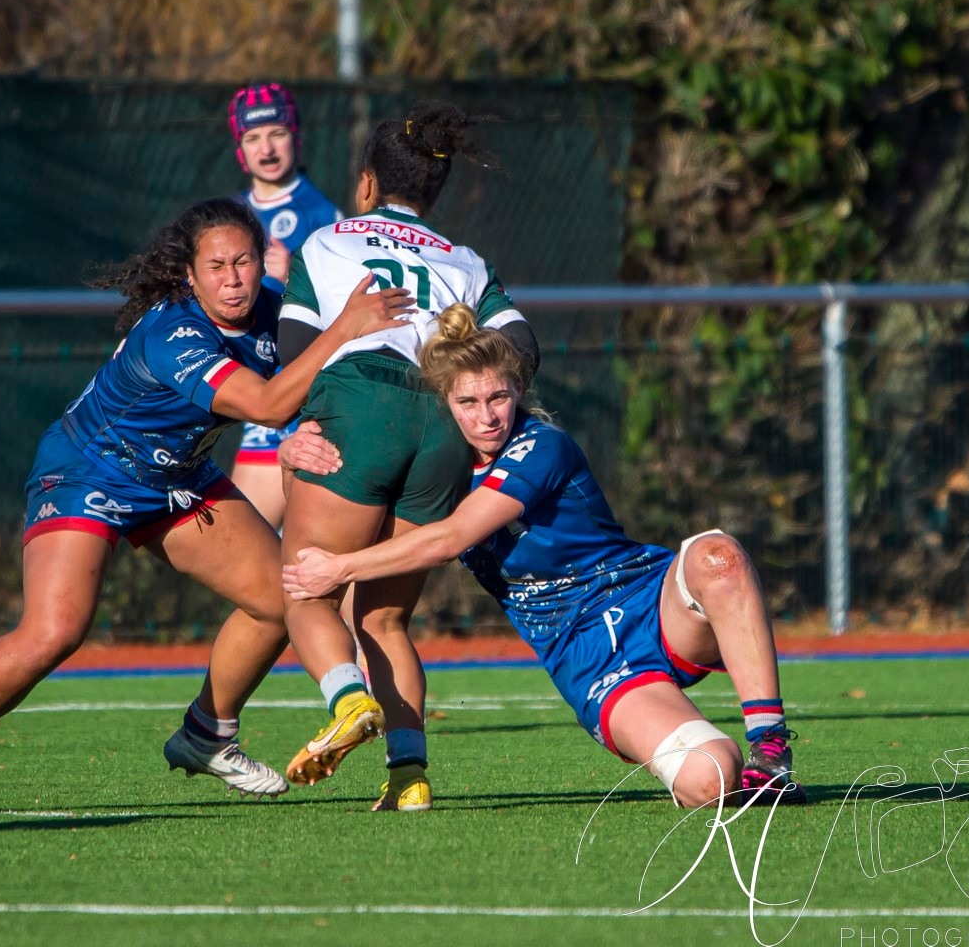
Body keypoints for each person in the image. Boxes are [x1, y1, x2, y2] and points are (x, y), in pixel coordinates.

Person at [0, 196, 411, 815]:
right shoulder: (173, 332)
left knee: (281, 599)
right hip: (89, 468)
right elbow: (265, 405)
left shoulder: (274, 308)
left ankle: (208, 734)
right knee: (55, 630)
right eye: (215, 267)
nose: (233, 279)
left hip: (177, 477)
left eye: (244, 262)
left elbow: (302, 390)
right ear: (189, 273)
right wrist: (344, 327)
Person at [281, 304, 808, 809]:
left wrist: (339, 567)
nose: (488, 417)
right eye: (468, 403)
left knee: (719, 556)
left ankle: (771, 750)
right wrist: (291, 450)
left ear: (519, 391)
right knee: (712, 778)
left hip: (648, 600)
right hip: (586, 659)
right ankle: (720, 762)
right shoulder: (434, 476)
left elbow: (450, 538)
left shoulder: (541, 446)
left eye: (499, 397)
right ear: (444, 405)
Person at [273, 101, 540, 813]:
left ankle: (349, 699)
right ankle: (409, 777)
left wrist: (295, 429)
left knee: (306, 590)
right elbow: (523, 350)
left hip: (358, 405)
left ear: (366, 185)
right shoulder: (466, 260)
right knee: (385, 619)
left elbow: (297, 356)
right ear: (435, 190)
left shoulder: (326, 244)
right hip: (444, 423)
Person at [226, 82, 344, 526]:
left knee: (304, 563)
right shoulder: (230, 213)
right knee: (253, 561)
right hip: (257, 405)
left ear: (295, 135)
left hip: (307, 406)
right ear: (240, 149)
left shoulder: (322, 215)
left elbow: (349, 310)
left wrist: (295, 272)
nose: (266, 147)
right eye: (253, 138)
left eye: (276, 133)